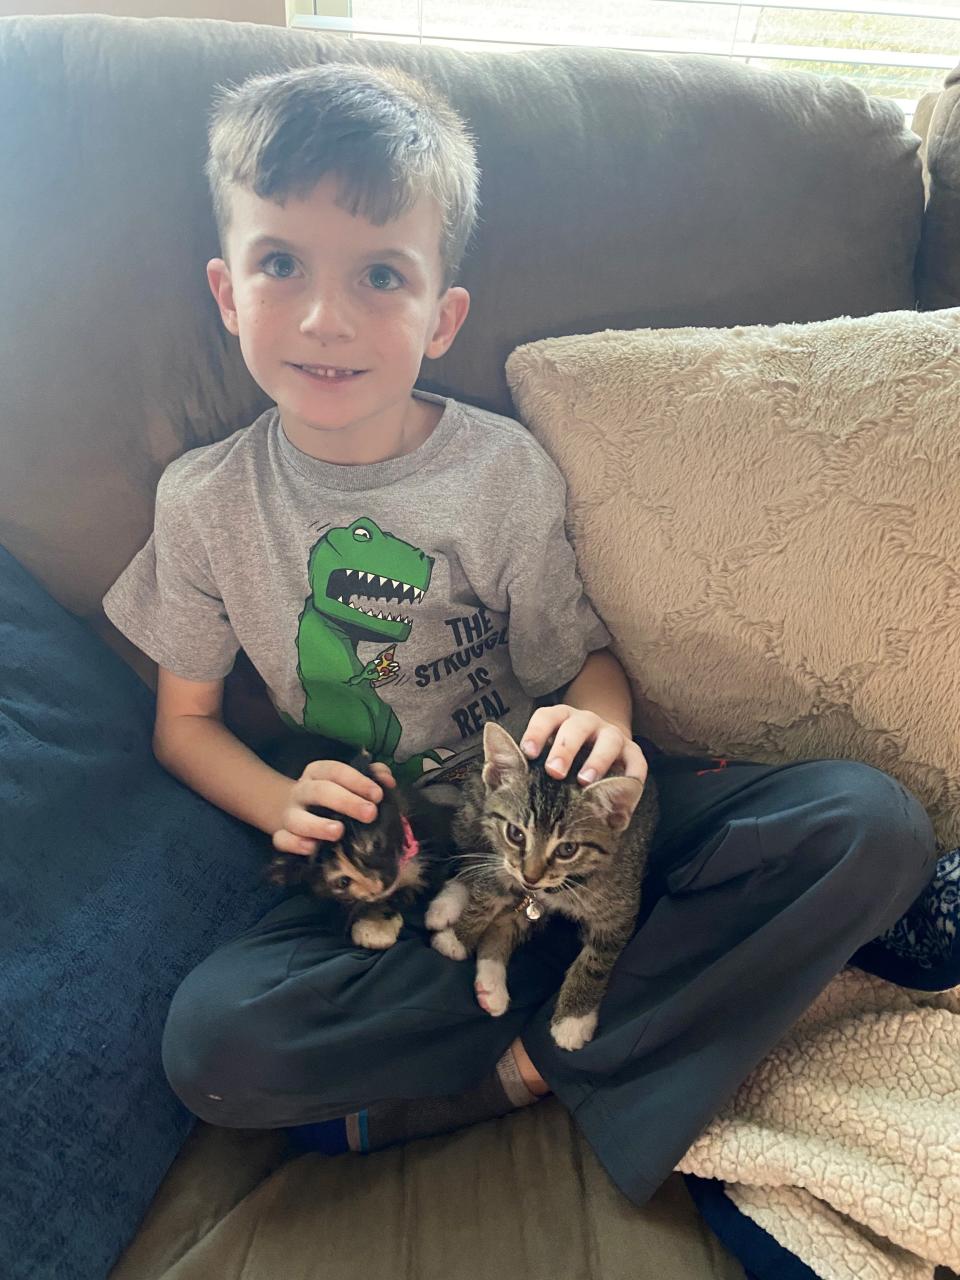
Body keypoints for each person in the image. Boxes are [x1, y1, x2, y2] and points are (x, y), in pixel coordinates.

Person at [103, 62, 936, 1205]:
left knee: (868, 824)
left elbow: (580, 664)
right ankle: (625, 1018)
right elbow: (182, 726)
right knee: (216, 1045)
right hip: (427, 860)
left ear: (443, 315)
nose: (323, 314)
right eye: (280, 263)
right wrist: (274, 799)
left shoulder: (496, 470)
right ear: (225, 291)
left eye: (379, 273)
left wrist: (602, 728)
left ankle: (523, 1066)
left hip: (577, 827)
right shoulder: (204, 502)